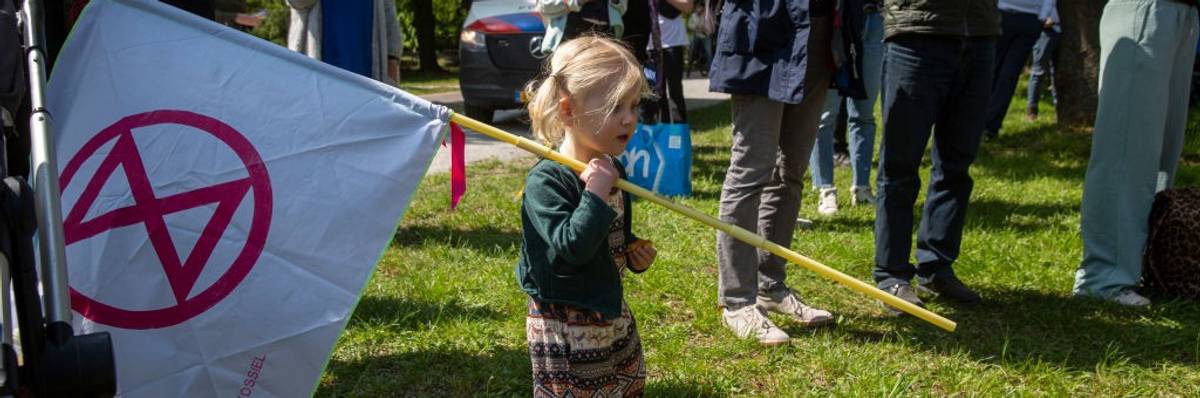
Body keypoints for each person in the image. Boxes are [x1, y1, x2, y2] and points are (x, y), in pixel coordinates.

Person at [517, 36, 657, 396]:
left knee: (627, 382)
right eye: (615, 108)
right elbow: (573, 247)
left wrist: (630, 249)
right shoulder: (547, 179)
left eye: (634, 105)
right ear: (568, 111)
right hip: (565, 320)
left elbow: (608, 231)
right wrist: (594, 192)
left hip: (608, 304)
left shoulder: (613, 168)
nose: (630, 119)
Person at [709, 0, 838, 346]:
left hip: (820, 30)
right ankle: (738, 301)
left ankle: (770, 286)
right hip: (761, 28)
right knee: (752, 169)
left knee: (791, 171)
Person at [873, 0, 998, 314]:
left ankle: (936, 267)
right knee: (900, 164)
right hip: (916, 33)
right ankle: (892, 275)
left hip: (980, 34)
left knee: (957, 164)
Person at [1074, 0, 1198, 307]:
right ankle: (1103, 278)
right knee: (1126, 151)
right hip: (1147, 7)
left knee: (1160, 158)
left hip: (1183, 11)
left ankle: (1149, 265)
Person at [808, 0, 884, 216]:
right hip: (836, 21)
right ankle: (825, 188)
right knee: (825, 116)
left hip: (874, 19)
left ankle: (861, 187)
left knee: (865, 114)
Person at [286, 0, 402, 86]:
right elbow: (298, 3)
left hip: (368, 75)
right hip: (318, 74)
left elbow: (389, 16)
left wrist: (392, 64)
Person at [982, 0, 1054, 139]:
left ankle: (990, 126)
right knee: (990, 71)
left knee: (1009, 75)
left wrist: (1042, 17)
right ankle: (978, 121)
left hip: (1030, 19)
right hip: (1002, 14)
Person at [646, 0, 692, 122]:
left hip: (673, 43)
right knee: (655, 94)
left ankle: (679, 131)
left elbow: (688, 6)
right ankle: (662, 132)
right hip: (651, 46)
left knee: (675, 92)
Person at [1025, 0, 1059, 120]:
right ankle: (1032, 109)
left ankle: (1058, 108)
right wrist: (1045, 17)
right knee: (1038, 71)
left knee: (1058, 72)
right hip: (1047, 29)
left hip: (1062, 28)